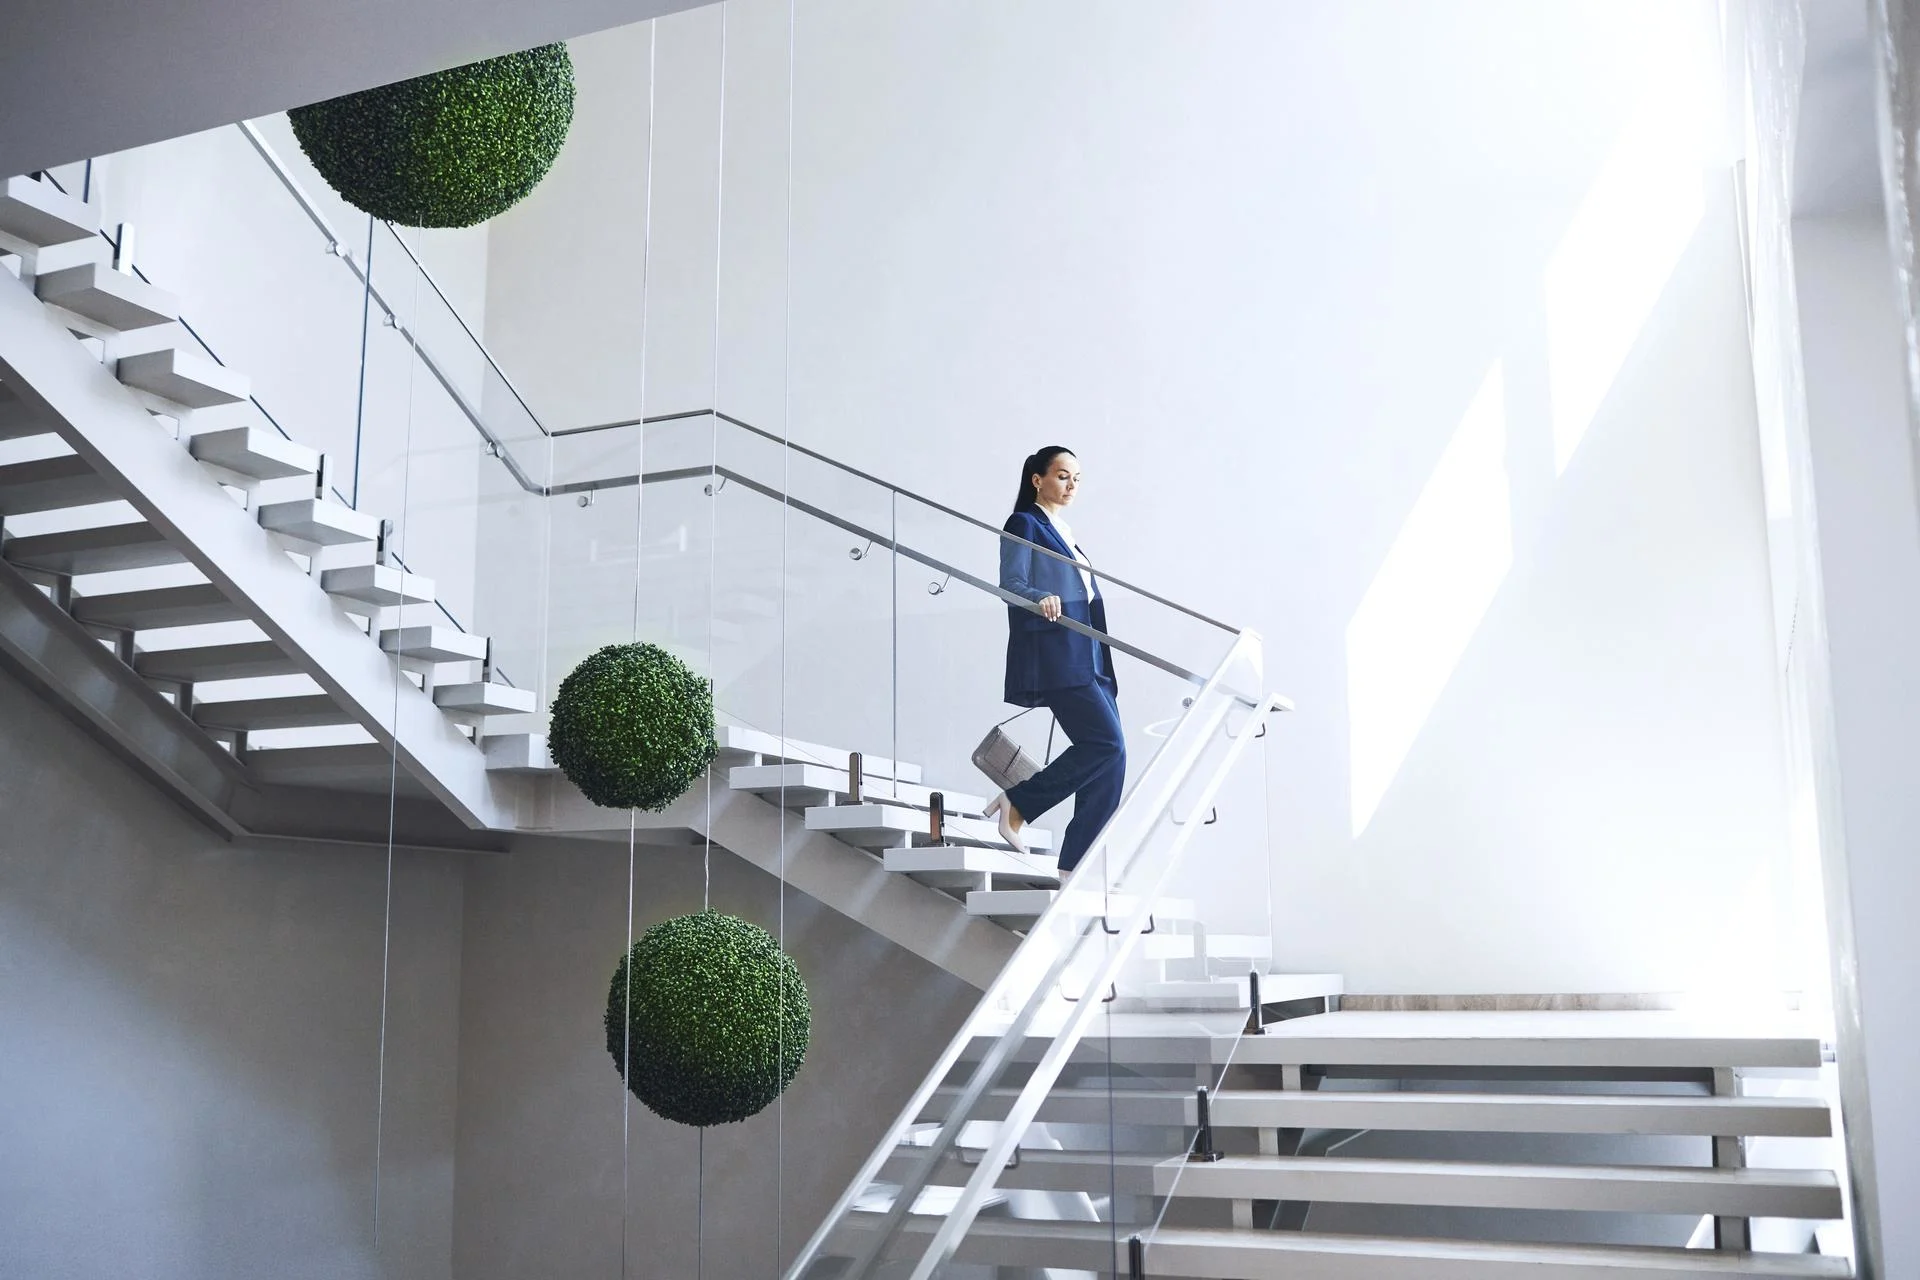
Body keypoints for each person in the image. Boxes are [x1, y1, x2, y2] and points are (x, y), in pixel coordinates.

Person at [982, 446, 1123, 874]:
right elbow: (1011, 585)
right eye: (1063, 476)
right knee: (1105, 744)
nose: (1071, 486)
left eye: (1077, 479)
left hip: (1092, 656)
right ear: (1037, 479)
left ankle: (1074, 869)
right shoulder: (1024, 523)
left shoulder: (1066, 531)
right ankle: (1019, 803)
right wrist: (1038, 598)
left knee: (1112, 763)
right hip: (1061, 655)